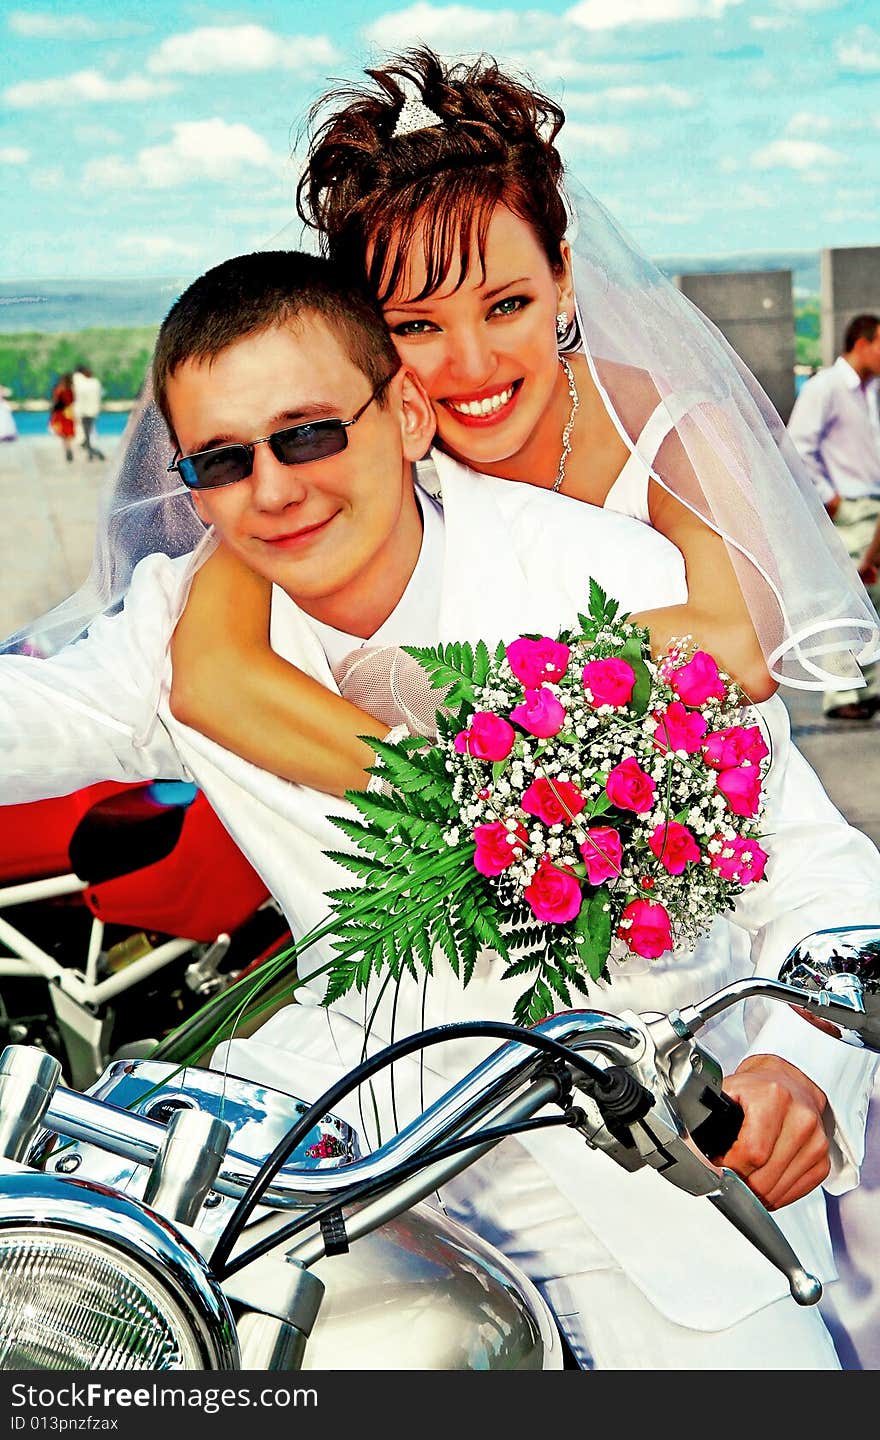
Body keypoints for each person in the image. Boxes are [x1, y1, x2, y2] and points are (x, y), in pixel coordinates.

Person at [2, 250, 879, 1370]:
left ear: (408, 414)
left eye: (309, 432)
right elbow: (24, 714)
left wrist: (801, 1068)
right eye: (223, 460)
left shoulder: (607, 581)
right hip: (345, 1160)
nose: (273, 489)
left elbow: (815, 876)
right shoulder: (184, 623)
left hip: (654, 1179)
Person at [166, 49, 880, 798]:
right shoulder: (347, 449)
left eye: (507, 305)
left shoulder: (675, 429)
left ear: (564, 278)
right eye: (416, 326)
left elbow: (739, 649)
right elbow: (212, 676)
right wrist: (451, 806)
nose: (473, 366)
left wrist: (454, 687)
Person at [788, 314, 880, 721]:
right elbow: (797, 446)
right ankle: (842, 696)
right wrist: (831, 498)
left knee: (871, 601)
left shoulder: (872, 390)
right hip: (849, 510)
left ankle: (867, 690)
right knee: (843, 602)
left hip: (873, 509)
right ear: (862, 342)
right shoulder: (825, 387)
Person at [72, 364, 106, 462]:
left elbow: (79, 397)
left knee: (86, 434)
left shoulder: (81, 383)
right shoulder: (95, 382)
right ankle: (93, 453)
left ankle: (93, 453)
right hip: (92, 411)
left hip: (84, 412)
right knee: (87, 434)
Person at [48, 373, 75, 463]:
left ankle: (67, 450)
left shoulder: (59, 390)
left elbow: (55, 401)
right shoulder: (71, 390)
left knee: (63, 434)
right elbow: (72, 400)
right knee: (67, 433)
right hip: (68, 412)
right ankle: (68, 449)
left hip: (60, 414)